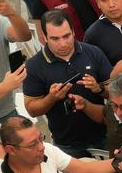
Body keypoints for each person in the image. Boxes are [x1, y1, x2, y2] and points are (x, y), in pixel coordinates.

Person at [24, 10, 114, 156]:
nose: (63, 43)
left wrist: (99, 88)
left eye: (66, 36)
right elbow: (32, 110)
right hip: (66, 144)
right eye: (55, 39)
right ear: (44, 37)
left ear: (73, 31)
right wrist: (51, 98)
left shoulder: (94, 52)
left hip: (103, 135)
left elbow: (116, 93)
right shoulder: (34, 66)